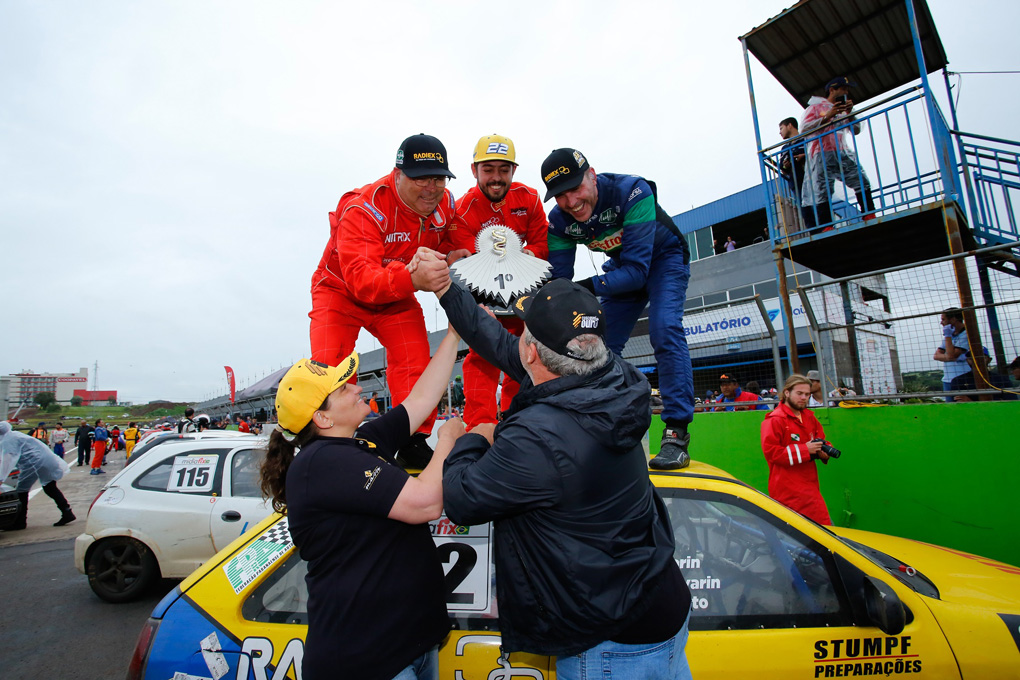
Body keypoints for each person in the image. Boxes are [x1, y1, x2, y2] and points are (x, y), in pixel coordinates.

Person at [437, 276, 693, 680]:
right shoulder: (616, 376)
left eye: (524, 332)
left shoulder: (538, 435)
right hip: (659, 600)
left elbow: (462, 498)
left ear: (532, 352)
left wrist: (467, 439)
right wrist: (447, 291)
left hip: (611, 640)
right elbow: (501, 345)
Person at [259, 328, 465, 680]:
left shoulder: (361, 442)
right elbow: (426, 503)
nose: (357, 388)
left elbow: (421, 398)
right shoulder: (320, 462)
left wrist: (455, 334)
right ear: (322, 418)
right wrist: (448, 440)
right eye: (343, 388)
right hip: (370, 660)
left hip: (409, 644)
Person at [309, 133, 458, 469]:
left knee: (414, 359)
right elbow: (362, 282)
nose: (431, 189)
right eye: (421, 179)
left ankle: (411, 441)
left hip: (394, 293)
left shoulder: (446, 203)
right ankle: (332, 446)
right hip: (341, 291)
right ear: (398, 174)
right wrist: (413, 280)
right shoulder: (364, 209)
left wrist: (454, 253)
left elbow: (451, 236)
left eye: (438, 179)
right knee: (330, 373)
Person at [541, 148, 695, 471]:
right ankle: (603, 423)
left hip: (663, 260)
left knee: (664, 328)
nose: (571, 202)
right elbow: (559, 280)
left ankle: (676, 432)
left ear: (592, 176)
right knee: (598, 345)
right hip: (623, 267)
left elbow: (637, 273)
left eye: (576, 188)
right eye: (560, 195)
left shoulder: (633, 191)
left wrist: (583, 288)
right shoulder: (558, 221)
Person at [446, 134, 549, 428]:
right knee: (482, 356)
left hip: (522, 291)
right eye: (488, 169)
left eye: (504, 170)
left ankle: (519, 421)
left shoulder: (529, 198)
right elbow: (468, 261)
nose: (496, 177)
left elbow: (543, 243)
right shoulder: (462, 209)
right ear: (474, 170)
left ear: (513, 170)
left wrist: (529, 253)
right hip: (484, 293)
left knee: (526, 352)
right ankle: (479, 426)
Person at [800, 76, 876, 228]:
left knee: (861, 179)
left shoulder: (844, 111)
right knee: (822, 189)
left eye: (847, 89)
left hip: (842, 152)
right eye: (843, 89)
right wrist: (827, 116)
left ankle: (869, 213)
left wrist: (850, 113)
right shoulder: (815, 108)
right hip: (821, 154)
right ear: (832, 90)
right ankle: (826, 225)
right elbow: (804, 129)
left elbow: (856, 130)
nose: (846, 92)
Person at [760, 375, 833, 524]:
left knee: (824, 529)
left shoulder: (809, 417)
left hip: (810, 490)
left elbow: (822, 440)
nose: (804, 398)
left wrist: (825, 451)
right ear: (787, 393)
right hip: (787, 493)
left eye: (807, 394)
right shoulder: (774, 420)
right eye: (799, 393)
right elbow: (772, 453)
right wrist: (806, 449)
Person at [0, 421, 75, 528]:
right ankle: (67, 512)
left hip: (34, 463)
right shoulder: (15, 435)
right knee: (50, 487)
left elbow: (7, 461)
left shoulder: (8, 440)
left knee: (22, 491)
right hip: (44, 460)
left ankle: (20, 521)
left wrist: (1, 479)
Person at [949, 348, 1018, 401]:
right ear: (967, 361)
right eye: (971, 358)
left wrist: (972, 402)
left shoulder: (1002, 380)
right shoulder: (958, 381)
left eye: (981, 357)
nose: (976, 361)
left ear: (989, 359)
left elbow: (1011, 401)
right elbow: (958, 403)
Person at [933, 307, 969, 400]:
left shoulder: (966, 334)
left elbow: (951, 355)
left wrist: (948, 336)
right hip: (947, 380)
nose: (941, 323)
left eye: (943, 319)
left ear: (953, 319)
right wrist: (949, 356)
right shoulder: (949, 336)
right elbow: (936, 356)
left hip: (963, 379)